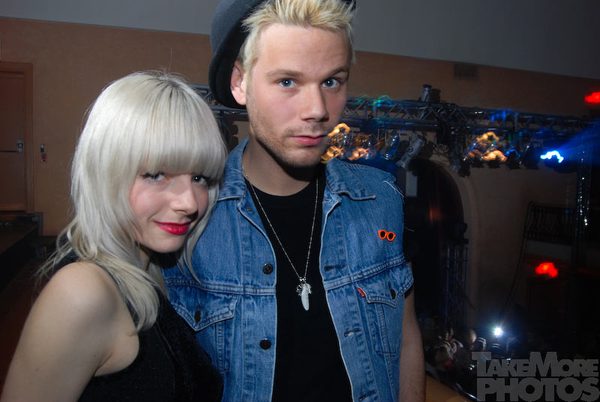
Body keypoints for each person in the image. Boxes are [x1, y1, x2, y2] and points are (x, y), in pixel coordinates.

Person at [163, 0, 425, 400]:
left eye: (332, 82)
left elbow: (406, 338)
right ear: (240, 83)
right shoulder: (190, 218)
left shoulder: (380, 199)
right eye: (287, 82)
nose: (317, 110)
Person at [0, 71, 227, 402]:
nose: (189, 203)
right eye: (156, 175)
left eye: (200, 178)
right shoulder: (82, 292)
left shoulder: (152, 265)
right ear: (105, 173)